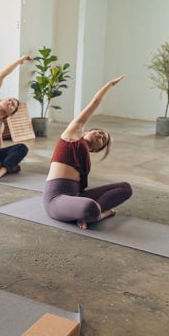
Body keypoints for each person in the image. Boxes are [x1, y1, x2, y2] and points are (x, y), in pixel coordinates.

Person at [43, 75, 132, 229]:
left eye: (102, 139)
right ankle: (102, 214)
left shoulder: (85, 155)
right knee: (90, 207)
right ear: (86, 132)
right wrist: (110, 84)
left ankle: (90, 214)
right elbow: (95, 103)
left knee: (126, 188)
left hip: (76, 196)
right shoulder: (72, 135)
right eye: (98, 132)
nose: (99, 135)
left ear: (94, 150)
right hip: (56, 199)